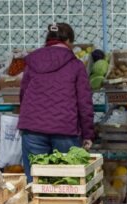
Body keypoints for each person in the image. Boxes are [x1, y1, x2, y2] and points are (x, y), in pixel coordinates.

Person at [18, 22, 94, 183]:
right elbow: (84, 103)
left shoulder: (32, 62)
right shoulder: (76, 65)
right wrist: (88, 134)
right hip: (64, 128)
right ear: (68, 41)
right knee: (66, 181)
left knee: (36, 180)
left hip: (32, 127)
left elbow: (23, 94)